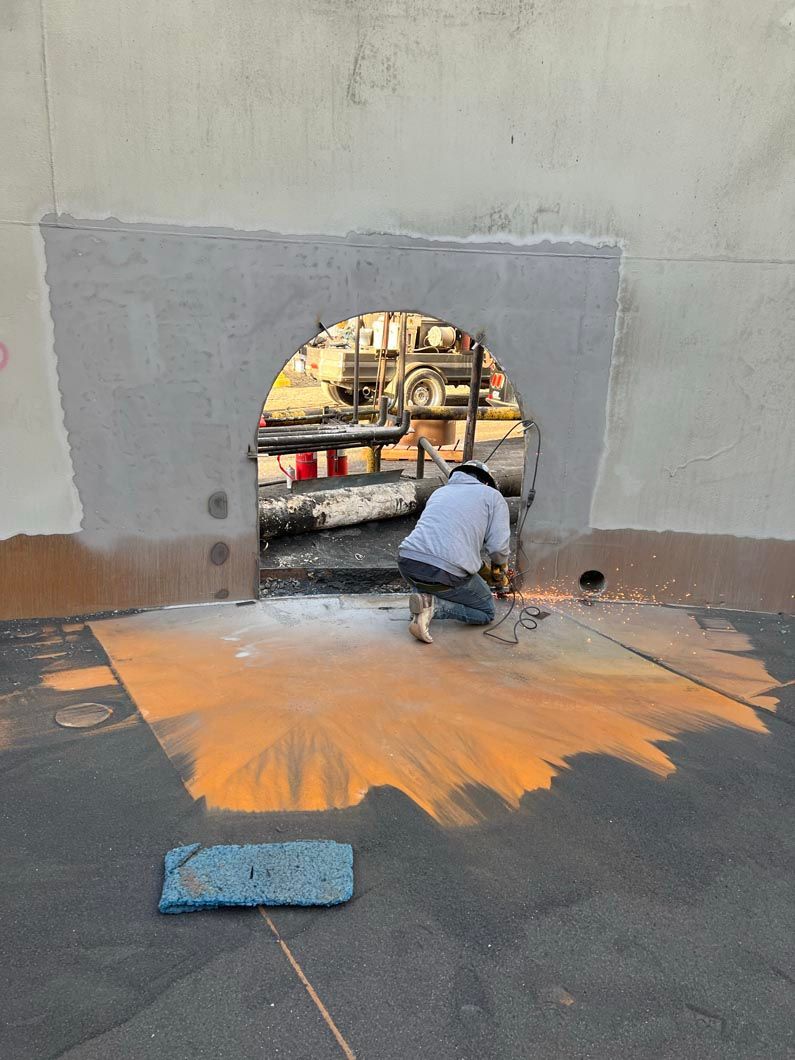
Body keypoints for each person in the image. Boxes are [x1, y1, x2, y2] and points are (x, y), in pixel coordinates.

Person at [397, 460, 510, 644]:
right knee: (486, 612)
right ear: (486, 482)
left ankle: (421, 604)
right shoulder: (492, 496)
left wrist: (484, 572)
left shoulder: (440, 492)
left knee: (428, 577)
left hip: (408, 561)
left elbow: (446, 542)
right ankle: (434, 607)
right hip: (444, 572)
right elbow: (498, 548)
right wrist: (499, 570)